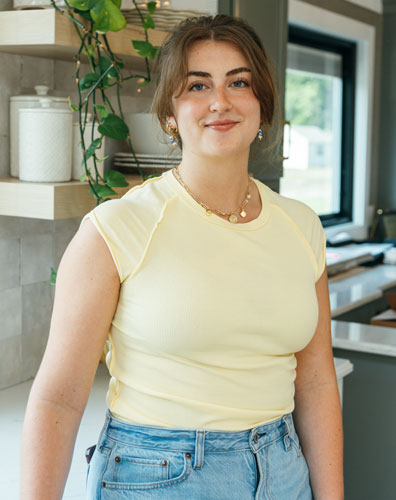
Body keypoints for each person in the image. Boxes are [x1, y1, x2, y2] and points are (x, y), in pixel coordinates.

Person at [20, 14, 344, 500]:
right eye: (197, 85)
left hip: (284, 470)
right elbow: (58, 399)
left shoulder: (301, 226)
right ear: (170, 113)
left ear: (263, 106)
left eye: (240, 82)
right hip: (160, 476)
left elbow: (316, 382)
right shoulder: (117, 228)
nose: (220, 101)